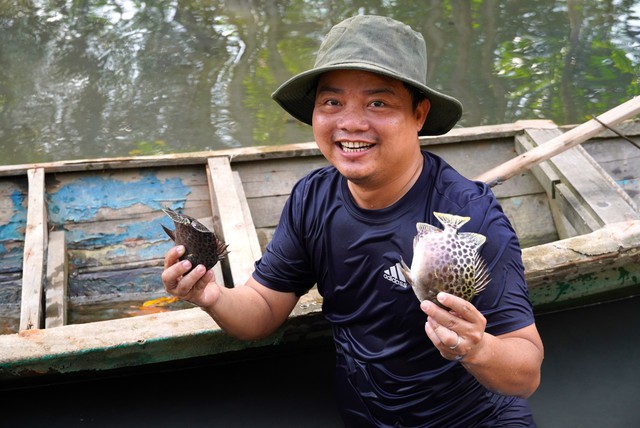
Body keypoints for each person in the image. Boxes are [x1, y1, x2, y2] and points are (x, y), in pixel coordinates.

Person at [162, 15, 544, 427]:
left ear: (419, 113)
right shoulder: (313, 197)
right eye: (332, 102)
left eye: (378, 103)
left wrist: (476, 347)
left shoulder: (468, 217)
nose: (350, 123)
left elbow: (525, 373)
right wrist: (211, 296)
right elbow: (263, 307)